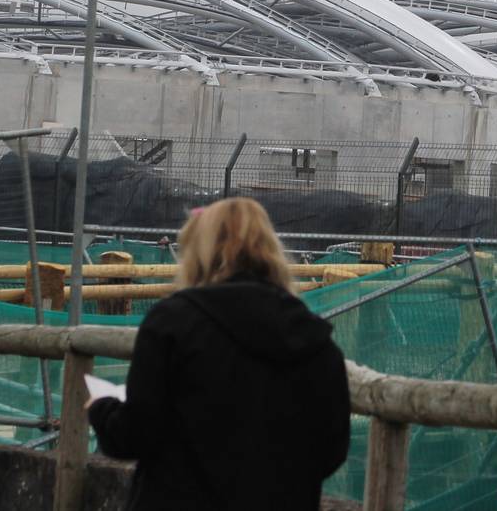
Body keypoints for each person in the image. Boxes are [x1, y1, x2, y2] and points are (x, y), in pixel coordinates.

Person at [87, 198, 352, 511]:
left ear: (198, 254)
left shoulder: (172, 323)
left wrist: (101, 408)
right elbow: (331, 452)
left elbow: (134, 435)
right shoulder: (316, 341)